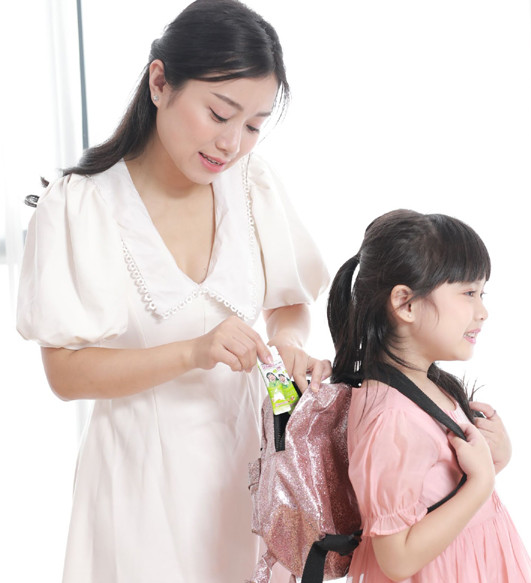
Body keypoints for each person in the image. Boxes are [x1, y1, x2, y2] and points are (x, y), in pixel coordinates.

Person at [16, 1, 330, 582]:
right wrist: (193, 351)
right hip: (139, 484)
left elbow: (289, 301)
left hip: (249, 475)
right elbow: (65, 373)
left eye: (254, 126)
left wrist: (288, 343)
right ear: (160, 82)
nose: (232, 143)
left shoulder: (252, 185)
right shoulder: (81, 206)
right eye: (219, 113)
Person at [326, 210, 531, 582]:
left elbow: (436, 495)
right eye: (469, 293)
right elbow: (397, 559)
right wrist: (481, 482)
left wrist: (493, 461)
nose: (483, 312)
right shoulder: (391, 416)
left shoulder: (428, 385)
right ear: (406, 304)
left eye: (482, 293)